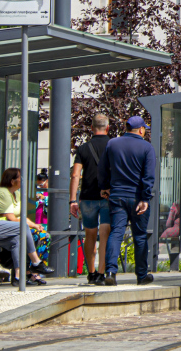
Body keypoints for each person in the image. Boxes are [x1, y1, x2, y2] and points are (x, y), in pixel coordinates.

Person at [98, 115, 156, 286]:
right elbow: (149, 175)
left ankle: (110, 272)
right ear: (141, 130)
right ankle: (141, 275)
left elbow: (102, 169)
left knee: (116, 232)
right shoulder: (147, 147)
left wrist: (104, 187)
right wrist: (145, 197)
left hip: (117, 196)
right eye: (144, 128)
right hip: (138, 198)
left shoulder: (112, 144)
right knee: (139, 236)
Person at [71, 113, 113, 284]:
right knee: (105, 235)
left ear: (91, 128)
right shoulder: (113, 145)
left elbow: (75, 175)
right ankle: (102, 274)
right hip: (108, 197)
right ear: (108, 127)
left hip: (87, 198)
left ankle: (91, 272)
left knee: (90, 234)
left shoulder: (83, 149)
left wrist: (73, 200)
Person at [0, 168, 50, 264]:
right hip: (5, 228)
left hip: (18, 226)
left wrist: (35, 225)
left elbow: (22, 216)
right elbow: (11, 218)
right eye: (20, 177)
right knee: (36, 236)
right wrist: (32, 226)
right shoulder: (4, 192)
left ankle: (36, 269)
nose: (23, 180)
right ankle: (32, 268)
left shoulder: (17, 193)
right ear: (12, 181)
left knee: (44, 234)